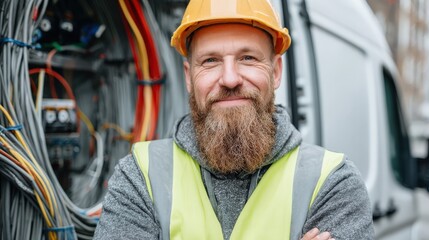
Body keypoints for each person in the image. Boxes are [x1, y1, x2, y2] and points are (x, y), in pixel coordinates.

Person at [94, 0, 374, 239]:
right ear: (188, 77)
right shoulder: (140, 177)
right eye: (211, 61)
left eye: (248, 58)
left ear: (276, 71)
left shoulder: (333, 183)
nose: (229, 79)